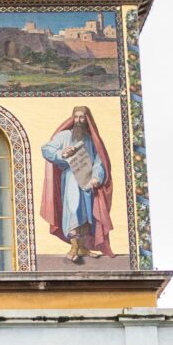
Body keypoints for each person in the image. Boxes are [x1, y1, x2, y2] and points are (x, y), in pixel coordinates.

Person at [40, 107, 113, 261]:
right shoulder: (64, 136)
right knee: (73, 211)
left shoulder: (92, 140)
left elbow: (99, 162)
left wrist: (96, 178)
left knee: (86, 215)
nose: (79, 121)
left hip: (87, 182)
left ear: (87, 120)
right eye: (76, 117)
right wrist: (62, 153)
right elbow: (46, 149)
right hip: (71, 181)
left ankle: (83, 248)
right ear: (72, 118)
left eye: (82, 117)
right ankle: (74, 247)